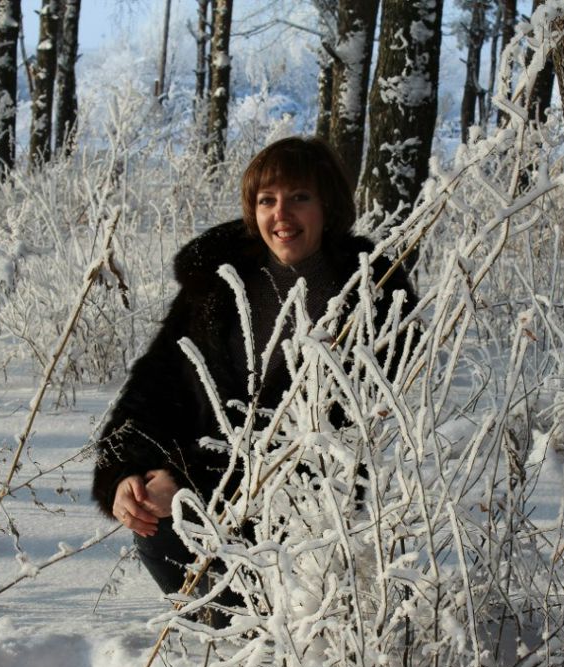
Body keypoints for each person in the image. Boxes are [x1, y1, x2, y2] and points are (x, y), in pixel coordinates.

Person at [92, 136, 415, 605]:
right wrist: (128, 473)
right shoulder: (217, 285)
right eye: (267, 200)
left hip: (316, 524)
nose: (281, 215)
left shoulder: (372, 298)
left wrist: (189, 484)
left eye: (299, 198)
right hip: (209, 501)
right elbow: (156, 389)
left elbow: (335, 440)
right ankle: (228, 651)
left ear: (328, 206)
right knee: (155, 515)